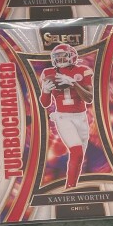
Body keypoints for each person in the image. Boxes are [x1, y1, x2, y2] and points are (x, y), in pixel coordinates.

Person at [39, 44, 93, 189]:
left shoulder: (82, 71)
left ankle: (72, 186)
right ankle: (69, 187)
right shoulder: (48, 73)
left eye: (63, 56)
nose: (59, 59)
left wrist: (74, 83)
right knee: (76, 152)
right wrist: (45, 91)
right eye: (57, 57)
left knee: (80, 156)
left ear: (72, 56)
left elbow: (89, 98)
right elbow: (45, 103)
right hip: (63, 117)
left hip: (81, 117)